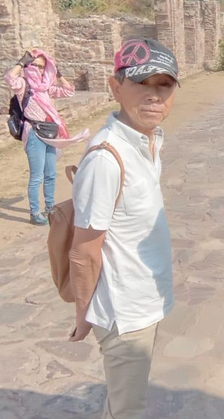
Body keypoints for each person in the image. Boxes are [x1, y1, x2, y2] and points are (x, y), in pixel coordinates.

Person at [67, 38, 180, 419]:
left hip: (144, 301)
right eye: (141, 84)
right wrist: (84, 313)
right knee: (128, 411)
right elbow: (84, 249)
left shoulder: (146, 142)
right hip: (124, 312)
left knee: (121, 404)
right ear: (115, 88)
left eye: (163, 85)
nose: (153, 96)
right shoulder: (106, 157)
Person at [5, 49, 76, 225]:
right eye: (34, 65)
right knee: (37, 176)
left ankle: (50, 208)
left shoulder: (46, 88)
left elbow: (68, 91)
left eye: (42, 67)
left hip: (49, 133)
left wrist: (58, 74)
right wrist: (21, 63)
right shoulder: (24, 86)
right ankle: (35, 212)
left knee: (50, 174)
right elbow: (9, 78)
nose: (38, 69)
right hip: (34, 133)